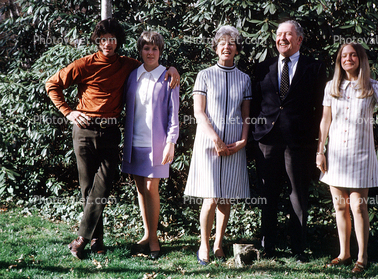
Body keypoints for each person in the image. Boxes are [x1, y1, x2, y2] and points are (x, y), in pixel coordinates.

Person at [45, 18, 180, 259]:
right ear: (97, 40)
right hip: (84, 130)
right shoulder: (83, 64)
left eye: (113, 39)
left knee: (104, 185)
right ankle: (97, 240)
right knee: (88, 188)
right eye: (103, 39)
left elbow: (152, 65)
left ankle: (82, 238)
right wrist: (69, 112)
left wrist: (172, 68)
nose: (108, 43)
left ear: (119, 42)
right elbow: (52, 84)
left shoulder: (127, 65)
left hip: (110, 132)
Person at [316, 42, 378, 273]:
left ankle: (362, 257)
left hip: (361, 156)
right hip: (336, 156)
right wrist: (320, 151)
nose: (347, 59)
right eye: (343, 56)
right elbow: (325, 122)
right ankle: (344, 254)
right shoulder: (332, 86)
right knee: (340, 207)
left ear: (360, 59)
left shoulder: (372, 86)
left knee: (358, 208)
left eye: (352, 55)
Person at [251, 20, 327, 261]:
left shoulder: (314, 68)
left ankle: (298, 248)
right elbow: (254, 105)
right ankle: (268, 246)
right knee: (268, 194)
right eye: (278, 34)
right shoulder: (263, 67)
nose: (282, 38)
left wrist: (315, 140)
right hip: (267, 140)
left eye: (287, 34)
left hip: (299, 142)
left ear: (299, 39)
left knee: (298, 195)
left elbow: (320, 109)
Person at [184, 25, 251, 265]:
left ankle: (219, 244)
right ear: (216, 48)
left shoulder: (244, 79)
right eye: (222, 43)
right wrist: (215, 139)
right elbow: (199, 113)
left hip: (234, 143)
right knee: (211, 196)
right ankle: (203, 244)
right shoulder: (204, 75)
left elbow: (246, 115)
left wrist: (243, 140)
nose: (227, 46)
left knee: (226, 198)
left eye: (231, 43)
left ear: (236, 49)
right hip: (209, 141)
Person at [122, 31, 179, 260]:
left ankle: (154, 238)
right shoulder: (132, 75)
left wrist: (171, 142)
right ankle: (146, 235)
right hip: (134, 142)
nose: (150, 52)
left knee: (151, 188)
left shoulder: (168, 76)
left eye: (155, 48)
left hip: (156, 144)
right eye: (146, 48)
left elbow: (173, 114)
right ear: (140, 51)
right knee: (139, 190)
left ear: (160, 51)